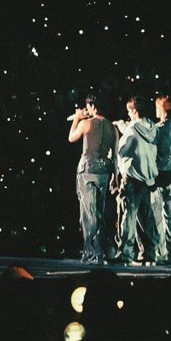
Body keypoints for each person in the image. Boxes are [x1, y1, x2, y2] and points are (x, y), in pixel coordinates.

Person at [68, 93, 116, 264]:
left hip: (87, 170)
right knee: (99, 212)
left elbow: (71, 137)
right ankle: (99, 251)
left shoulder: (86, 123)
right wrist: (115, 176)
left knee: (88, 213)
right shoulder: (111, 127)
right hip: (104, 171)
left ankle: (90, 251)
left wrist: (77, 118)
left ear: (93, 107)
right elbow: (114, 155)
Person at [113, 97, 159, 265]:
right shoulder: (152, 128)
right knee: (145, 217)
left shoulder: (132, 129)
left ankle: (125, 252)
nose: (128, 114)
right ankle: (149, 252)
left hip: (132, 177)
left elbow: (122, 151)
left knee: (128, 216)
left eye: (129, 111)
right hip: (146, 179)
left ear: (134, 110)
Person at [151, 95, 171, 264]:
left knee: (157, 216)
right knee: (169, 215)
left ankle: (161, 252)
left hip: (158, 174)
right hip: (169, 173)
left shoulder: (159, 129)